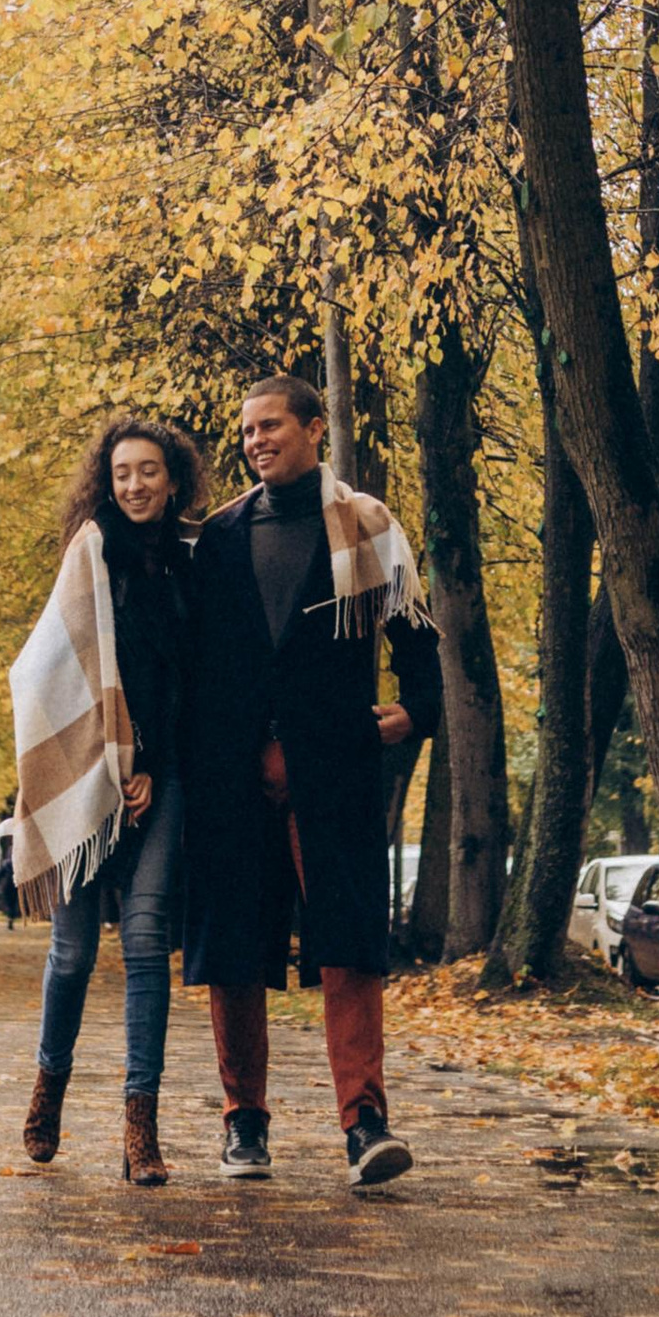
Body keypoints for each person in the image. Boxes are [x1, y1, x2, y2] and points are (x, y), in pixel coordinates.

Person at [180, 376, 441, 1187]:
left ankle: (366, 1128)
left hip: (334, 766)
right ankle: (243, 1126)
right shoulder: (217, 538)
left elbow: (417, 632)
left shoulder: (366, 524)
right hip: (230, 772)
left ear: (314, 428)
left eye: (271, 426)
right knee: (233, 949)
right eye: (247, 430)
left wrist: (419, 710)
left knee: (349, 947)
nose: (257, 441)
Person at [7, 413, 203, 1185]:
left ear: (173, 477)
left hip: (167, 773)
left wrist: (152, 761)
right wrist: (111, 760)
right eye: (122, 473)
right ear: (106, 480)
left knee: (147, 939)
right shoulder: (89, 555)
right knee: (75, 950)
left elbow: (193, 680)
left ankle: (139, 1129)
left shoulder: (193, 563)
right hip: (92, 774)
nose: (134, 485)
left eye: (148, 471)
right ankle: (48, 1088)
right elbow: (50, 670)